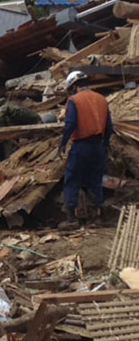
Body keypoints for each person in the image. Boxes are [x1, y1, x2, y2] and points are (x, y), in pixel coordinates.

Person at [58, 71, 113, 229]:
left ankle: (71, 219)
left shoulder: (74, 100)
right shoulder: (102, 99)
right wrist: (106, 143)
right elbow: (109, 126)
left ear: (74, 86)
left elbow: (70, 124)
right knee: (96, 180)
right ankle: (99, 216)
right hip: (98, 146)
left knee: (72, 179)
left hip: (81, 146)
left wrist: (62, 143)